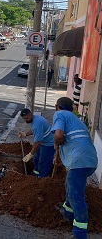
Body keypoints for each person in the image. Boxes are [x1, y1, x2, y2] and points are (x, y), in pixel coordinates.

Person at [51, 97, 97, 239]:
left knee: (76, 195)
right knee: (70, 185)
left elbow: (58, 135)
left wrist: (55, 144)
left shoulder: (60, 114)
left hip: (79, 161)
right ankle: (67, 212)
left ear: (56, 106)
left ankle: (79, 234)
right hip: (89, 160)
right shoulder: (77, 120)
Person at [18, 109, 55, 177]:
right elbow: (33, 130)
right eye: (24, 119)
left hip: (49, 144)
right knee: (36, 159)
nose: (26, 121)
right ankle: (35, 174)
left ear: (31, 114)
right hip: (43, 142)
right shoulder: (34, 119)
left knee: (44, 162)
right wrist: (25, 134)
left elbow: (37, 142)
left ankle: (41, 178)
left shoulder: (37, 124)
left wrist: (30, 154)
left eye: (27, 118)